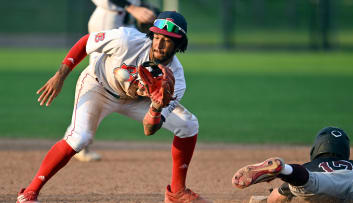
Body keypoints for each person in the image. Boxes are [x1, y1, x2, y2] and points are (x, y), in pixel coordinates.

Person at [16, 11, 210, 203]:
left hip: (136, 101)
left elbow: (149, 129)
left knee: (188, 125)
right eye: (156, 37)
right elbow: (86, 42)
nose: (159, 44)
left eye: (167, 40)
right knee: (79, 138)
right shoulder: (126, 40)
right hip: (98, 87)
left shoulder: (177, 80)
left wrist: (157, 108)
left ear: (179, 44)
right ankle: (29, 193)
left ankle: (176, 192)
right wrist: (60, 76)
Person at [73, 0, 157, 162]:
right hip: (107, 20)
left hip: (126, 21)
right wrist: (131, 7)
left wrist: (161, 17)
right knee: (97, 79)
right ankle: (79, 141)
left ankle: (81, 141)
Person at [231, 127, 353, 202]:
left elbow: (276, 198)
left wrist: (270, 198)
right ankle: (286, 171)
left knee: (307, 181)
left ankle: (286, 170)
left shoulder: (311, 166)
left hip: (321, 180)